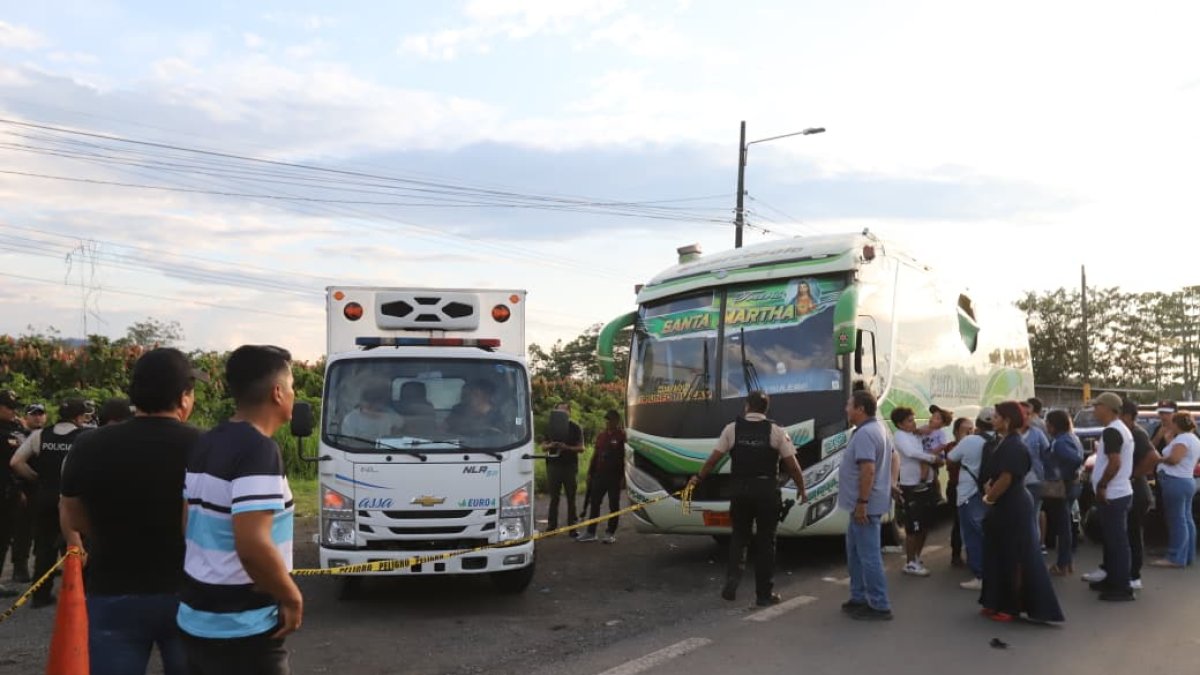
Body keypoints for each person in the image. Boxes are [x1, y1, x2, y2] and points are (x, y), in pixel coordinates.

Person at [59, 348, 205, 675]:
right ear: (183, 398)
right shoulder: (204, 446)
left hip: (112, 590)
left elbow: (74, 516)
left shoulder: (90, 444)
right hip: (189, 592)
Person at [177, 345, 301, 674]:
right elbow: (252, 544)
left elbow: (188, 521)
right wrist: (290, 597)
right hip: (241, 627)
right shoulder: (259, 450)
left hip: (198, 615)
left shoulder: (208, 440)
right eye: (291, 385)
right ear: (277, 393)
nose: (293, 393)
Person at [688, 391, 807, 606]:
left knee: (739, 536)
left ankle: (733, 579)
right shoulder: (777, 431)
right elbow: (793, 465)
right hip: (766, 492)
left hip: (740, 491)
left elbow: (713, 460)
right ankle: (763, 594)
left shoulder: (732, 429)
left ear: (746, 406)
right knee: (765, 542)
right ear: (766, 409)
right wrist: (802, 488)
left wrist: (697, 478)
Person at [979, 401, 1064, 623]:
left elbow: (1006, 478)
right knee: (996, 554)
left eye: (997, 416)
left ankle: (1010, 606)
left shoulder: (1015, 446)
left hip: (1013, 505)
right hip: (1004, 505)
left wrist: (989, 497)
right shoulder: (1003, 442)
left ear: (1007, 421)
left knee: (1012, 556)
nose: (993, 420)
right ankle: (993, 600)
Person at [9, 398, 91, 607]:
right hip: (73, 500)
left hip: (44, 497)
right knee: (76, 546)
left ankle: (40, 596)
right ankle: (78, 596)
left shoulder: (40, 435)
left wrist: (36, 478)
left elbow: (16, 462)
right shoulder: (85, 437)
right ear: (79, 417)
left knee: (44, 547)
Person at [837, 390, 893, 620]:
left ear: (860, 409)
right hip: (862, 505)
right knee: (855, 554)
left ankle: (880, 605)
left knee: (869, 556)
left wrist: (862, 502)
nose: (846, 409)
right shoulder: (877, 429)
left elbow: (868, 469)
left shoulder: (865, 434)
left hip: (865, 507)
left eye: (849, 405)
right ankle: (858, 597)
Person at [1085, 392, 1136, 601]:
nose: (1095, 410)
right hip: (1117, 492)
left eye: (1097, 406)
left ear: (1107, 408)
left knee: (1116, 542)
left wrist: (1103, 485)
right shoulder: (1117, 429)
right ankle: (1112, 579)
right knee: (1112, 540)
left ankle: (1122, 586)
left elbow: (1115, 463)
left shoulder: (1113, 431)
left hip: (1114, 494)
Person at [892, 406, 942, 577]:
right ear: (900, 424)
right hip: (911, 486)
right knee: (913, 527)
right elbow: (911, 453)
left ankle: (917, 558)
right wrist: (932, 458)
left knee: (925, 526)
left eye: (913, 419)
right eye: (909, 421)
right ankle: (910, 562)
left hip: (925, 483)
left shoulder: (915, 435)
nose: (913, 423)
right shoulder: (899, 436)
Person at [947, 409, 994, 590]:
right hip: (992, 491)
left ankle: (980, 575)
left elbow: (951, 459)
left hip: (970, 492)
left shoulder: (970, 440)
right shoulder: (999, 439)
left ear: (978, 424)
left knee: (973, 536)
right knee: (988, 534)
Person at [1150, 412, 1199, 568]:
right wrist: (1169, 439)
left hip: (1175, 481)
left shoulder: (1183, 439)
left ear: (1177, 424)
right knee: (1186, 518)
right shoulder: (1191, 439)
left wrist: (1159, 459)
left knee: (1177, 520)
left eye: (1172, 422)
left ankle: (1175, 557)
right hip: (1185, 479)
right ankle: (1187, 554)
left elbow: (1174, 459)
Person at [1044, 410, 1083, 576]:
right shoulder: (1071, 437)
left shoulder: (1060, 442)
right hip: (1071, 485)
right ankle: (1067, 562)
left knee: (1063, 526)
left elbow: (1074, 459)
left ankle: (1063, 563)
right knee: (1066, 524)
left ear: (1053, 425)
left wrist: (1063, 474)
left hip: (1063, 486)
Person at [579, 410, 626, 544]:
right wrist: (589, 472)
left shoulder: (622, 436)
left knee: (614, 505)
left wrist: (623, 477)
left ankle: (610, 533)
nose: (607, 422)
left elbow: (626, 458)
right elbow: (595, 455)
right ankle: (590, 532)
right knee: (594, 503)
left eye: (610, 419)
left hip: (615, 477)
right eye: (606, 419)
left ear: (617, 421)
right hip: (599, 475)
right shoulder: (601, 436)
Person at [0, 390, 30, 591]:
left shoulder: (16, 427)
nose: (13, 411)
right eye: (9, 407)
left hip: (10, 490)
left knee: (4, 538)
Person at [542, 402, 583, 534]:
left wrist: (567, 448)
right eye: (558, 411)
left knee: (571, 497)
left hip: (569, 467)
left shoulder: (575, 427)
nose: (561, 414)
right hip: (553, 466)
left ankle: (572, 527)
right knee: (554, 497)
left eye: (564, 411)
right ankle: (551, 526)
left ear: (569, 412)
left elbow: (581, 448)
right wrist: (551, 445)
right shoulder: (551, 427)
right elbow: (543, 446)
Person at [1019, 405, 1050, 543]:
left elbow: (1047, 454)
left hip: (1035, 481)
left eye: (1029, 414)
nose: (1027, 417)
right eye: (1023, 413)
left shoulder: (1037, 433)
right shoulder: (1009, 434)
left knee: (1032, 517)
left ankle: (1033, 552)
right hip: (1015, 483)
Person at [946, 417, 973, 567]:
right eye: (965, 429)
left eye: (972, 429)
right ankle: (955, 555)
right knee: (958, 522)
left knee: (972, 522)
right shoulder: (952, 446)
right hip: (955, 487)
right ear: (956, 432)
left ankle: (972, 554)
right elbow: (952, 463)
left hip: (972, 488)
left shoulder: (975, 444)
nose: (970, 432)